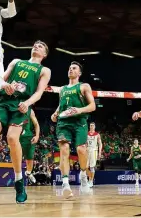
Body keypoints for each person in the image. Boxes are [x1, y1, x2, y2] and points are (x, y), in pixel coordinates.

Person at [0, 41, 51, 203]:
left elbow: (39, 92)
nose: (36, 46)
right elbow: (0, 80)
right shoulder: (17, 62)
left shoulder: (44, 70)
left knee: (11, 138)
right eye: (35, 45)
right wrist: (5, 85)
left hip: (22, 105)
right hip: (3, 101)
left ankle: (19, 182)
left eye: (41, 46)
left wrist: (28, 103)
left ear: (44, 54)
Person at [51, 61, 96, 198]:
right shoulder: (62, 89)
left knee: (81, 150)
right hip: (64, 123)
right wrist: (56, 113)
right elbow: (61, 106)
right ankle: (65, 184)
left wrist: (79, 110)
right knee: (64, 150)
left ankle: (83, 175)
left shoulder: (83, 86)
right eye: (69, 68)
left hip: (79, 122)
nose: (71, 69)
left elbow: (92, 106)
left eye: (74, 68)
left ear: (79, 73)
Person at [20, 108, 40, 184]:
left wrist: (37, 136)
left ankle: (28, 173)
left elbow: (36, 124)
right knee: (18, 157)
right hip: (17, 136)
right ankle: (18, 178)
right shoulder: (13, 107)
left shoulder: (30, 110)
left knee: (30, 158)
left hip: (28, 137)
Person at [86, 122, 102, 188]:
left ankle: (91, 181)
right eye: (90, 125)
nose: (91, 126)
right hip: (87, 150)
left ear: (95, 127)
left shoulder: (97, 134)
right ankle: (88, 179)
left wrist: (100, 152)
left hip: (94, 150)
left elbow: (100, 144)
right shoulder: (86, 134)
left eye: (93, 125)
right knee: (86, 167)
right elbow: (85, 143)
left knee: (92, 167)